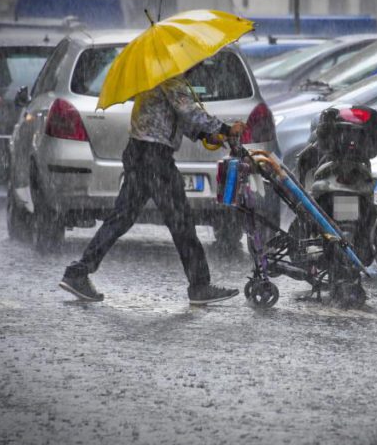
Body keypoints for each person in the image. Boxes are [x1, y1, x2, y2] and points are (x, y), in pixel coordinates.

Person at [59, 65, 245, 305]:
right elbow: (189, 111)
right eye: (196, 63)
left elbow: (177, 118)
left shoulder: (160, 76)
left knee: (122, 217)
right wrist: (226, 129)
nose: (197, 67)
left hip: (139, 152)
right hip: (154, 157)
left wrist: (205, 136)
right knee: (181, 222)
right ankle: (200, 286)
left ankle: (78, 272)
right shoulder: (170, 77)